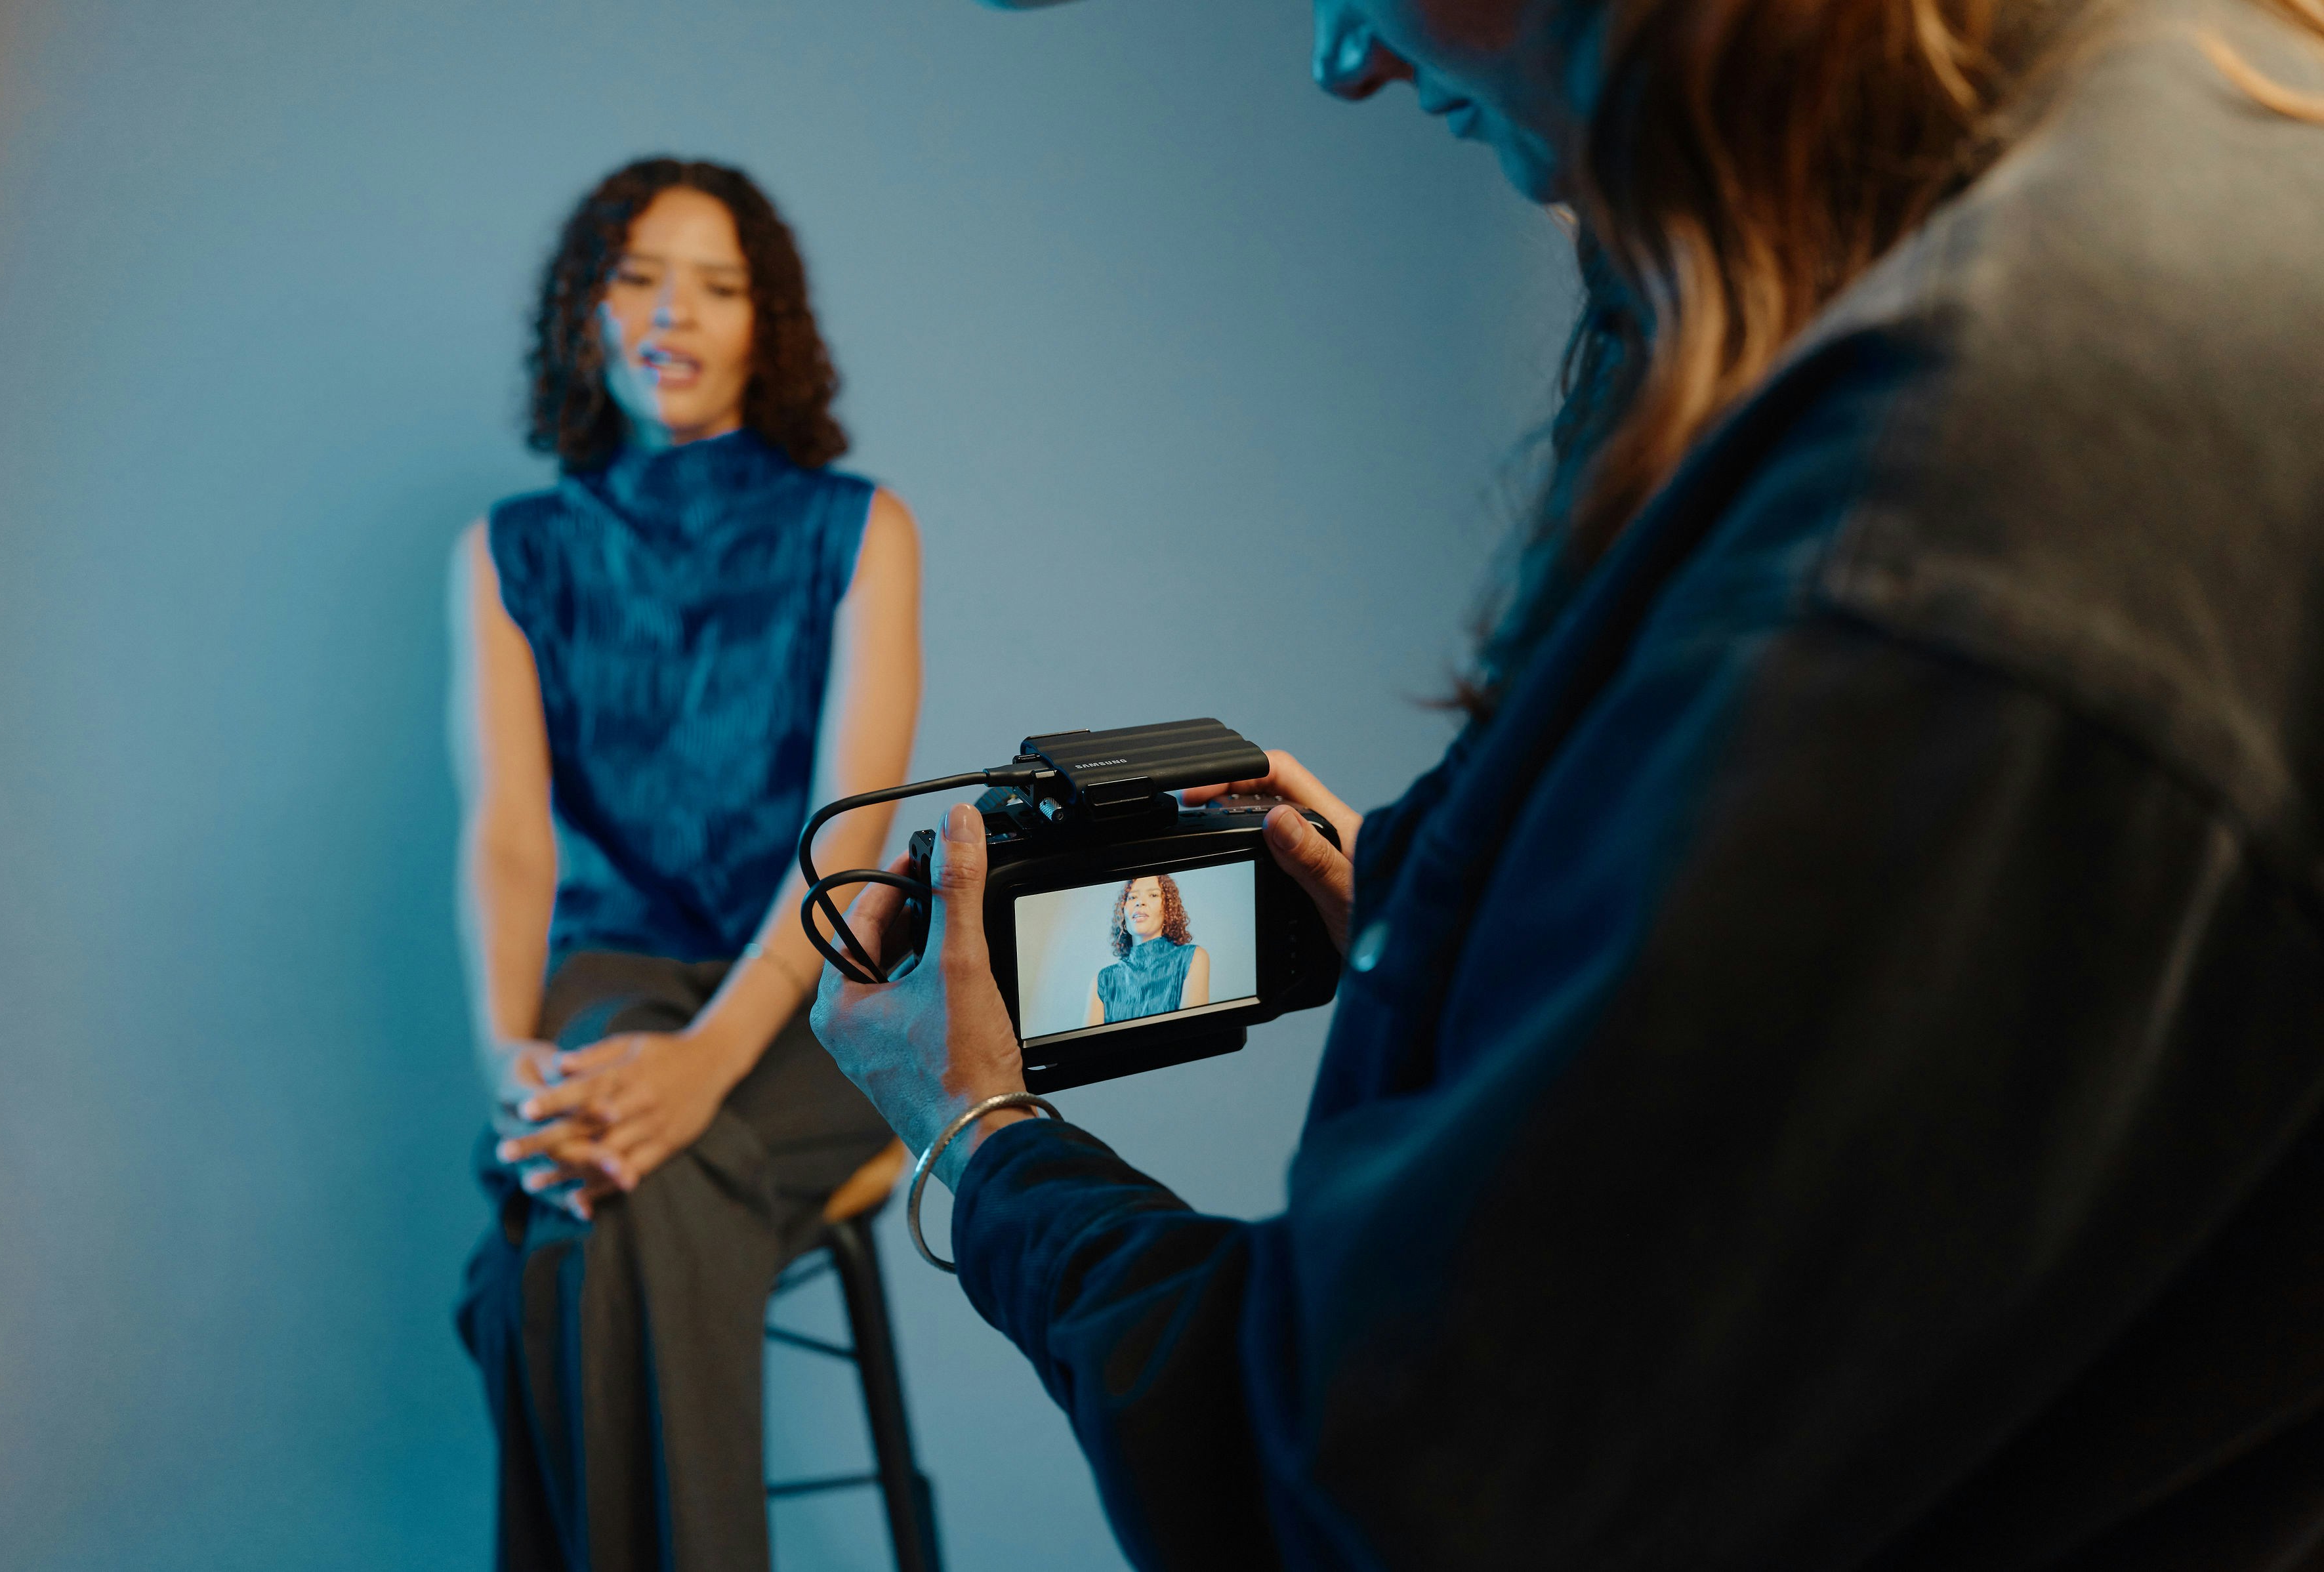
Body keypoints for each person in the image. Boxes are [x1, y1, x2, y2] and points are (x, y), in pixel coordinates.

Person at [814, 0, 2324, 1567]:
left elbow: (1357, 1500)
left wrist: (983, 1139)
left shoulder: (1959, 516)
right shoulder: (2174, 163)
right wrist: (1466, 902)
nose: (1346, 62)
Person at [449, 156, 918, 1572]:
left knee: (576, 1230)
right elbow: (511, 829)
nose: (675, 313)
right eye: (640, 275)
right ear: (587, 308)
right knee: (624, 1163)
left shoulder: (861, 530)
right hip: (614, 982)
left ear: (766, 324)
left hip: (821, 998)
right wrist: (508, 1059)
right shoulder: (512, 550)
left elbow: (852, 847)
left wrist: (708, 1062)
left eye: (718, 286)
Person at [1088, 874, 1212, 1025]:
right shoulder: (1103, 980)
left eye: (1153, 895)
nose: (1140, 902)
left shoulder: (1193, 958)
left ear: (1168, 910)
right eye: (1132, 897)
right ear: (1124, 912)